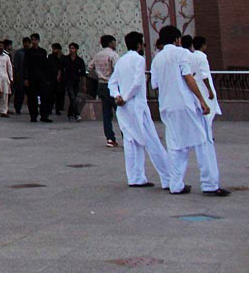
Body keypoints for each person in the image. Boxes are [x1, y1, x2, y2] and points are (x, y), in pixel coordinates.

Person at [151, 25, 228, 196]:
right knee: (203, 142)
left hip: (167, 106)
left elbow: (154, 84)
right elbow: (188, 77)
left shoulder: (157, 59)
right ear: (177, 39)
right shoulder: (180, 53)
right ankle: (209, 184)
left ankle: (176, 185)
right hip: (185, 104)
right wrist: (202, 100)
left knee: (176, 145)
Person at [109, 31, 171, 189]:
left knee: (131, 142)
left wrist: (118, 96)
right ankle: (168, 177)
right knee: (151, 140)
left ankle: (136, 177)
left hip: (124, 108)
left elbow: (112, 83)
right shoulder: (139, 59)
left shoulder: (121, 61)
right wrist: (125, 97)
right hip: (136, 105)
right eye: (142, 44)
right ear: (138, 45)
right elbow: (137, 83)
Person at [87, 36, 119, 145]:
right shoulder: (113, 55)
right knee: (120, 112)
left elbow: (89, 68)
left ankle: (110, 138)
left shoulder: (98, 55)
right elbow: (117, 69)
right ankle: (126, 136)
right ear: (111, 43)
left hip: (101, 85)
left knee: (106, 113)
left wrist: (98, 76)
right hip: (111, 84)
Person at [190, 37, 221, 133]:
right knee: (209, 110)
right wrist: (210, 90)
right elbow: (205, 75)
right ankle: (207, 133)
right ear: (203, 45)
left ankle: (203, 132)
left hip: (197, 86)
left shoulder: (191, 56)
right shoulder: (202, 57)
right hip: (204, 87)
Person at [24, 34, 51, 123]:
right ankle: (33, 116)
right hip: (32, 78)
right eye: (32, 40)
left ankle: (44, 115)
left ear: (38, 41)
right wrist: (26, 78)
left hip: (42, 77)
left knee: (44, 97)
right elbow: (26, 66)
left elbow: (46, 65)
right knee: (32, 98)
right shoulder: (28, 52)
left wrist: (47, 78)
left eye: (35, 40)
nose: (33, 42)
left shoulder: (43, 52)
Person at [63, 42, 86, 122]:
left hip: (76, 81)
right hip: (68, 81)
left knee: (73, 98)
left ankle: (70, 113)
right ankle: (77, 114)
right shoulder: (65, 59)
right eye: (70, 48)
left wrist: (84, 84)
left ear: (76, 49)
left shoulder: (80, 60)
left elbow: (83, 73)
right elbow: (61, 69)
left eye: (73, 48)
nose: (71, 50)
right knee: (72, 97)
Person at [46, 43, 67, 117]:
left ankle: (58, 109)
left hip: (60, 80)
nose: (53, 50)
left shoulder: (63, 58)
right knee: (51, 95)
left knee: (59, 95)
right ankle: (50, 109)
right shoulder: (51, 57)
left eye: (55, 49)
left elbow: (64, 68)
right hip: (52, 79)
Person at [12, 37, 29, 114]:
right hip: (20, 76)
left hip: (29, 77)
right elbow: (16, 65)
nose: (26, 44)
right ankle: (17, 108)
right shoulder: (19, 53)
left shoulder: (31, 52)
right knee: (19, 94)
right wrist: (16, 76)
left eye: (28, 42)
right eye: (25, 42)